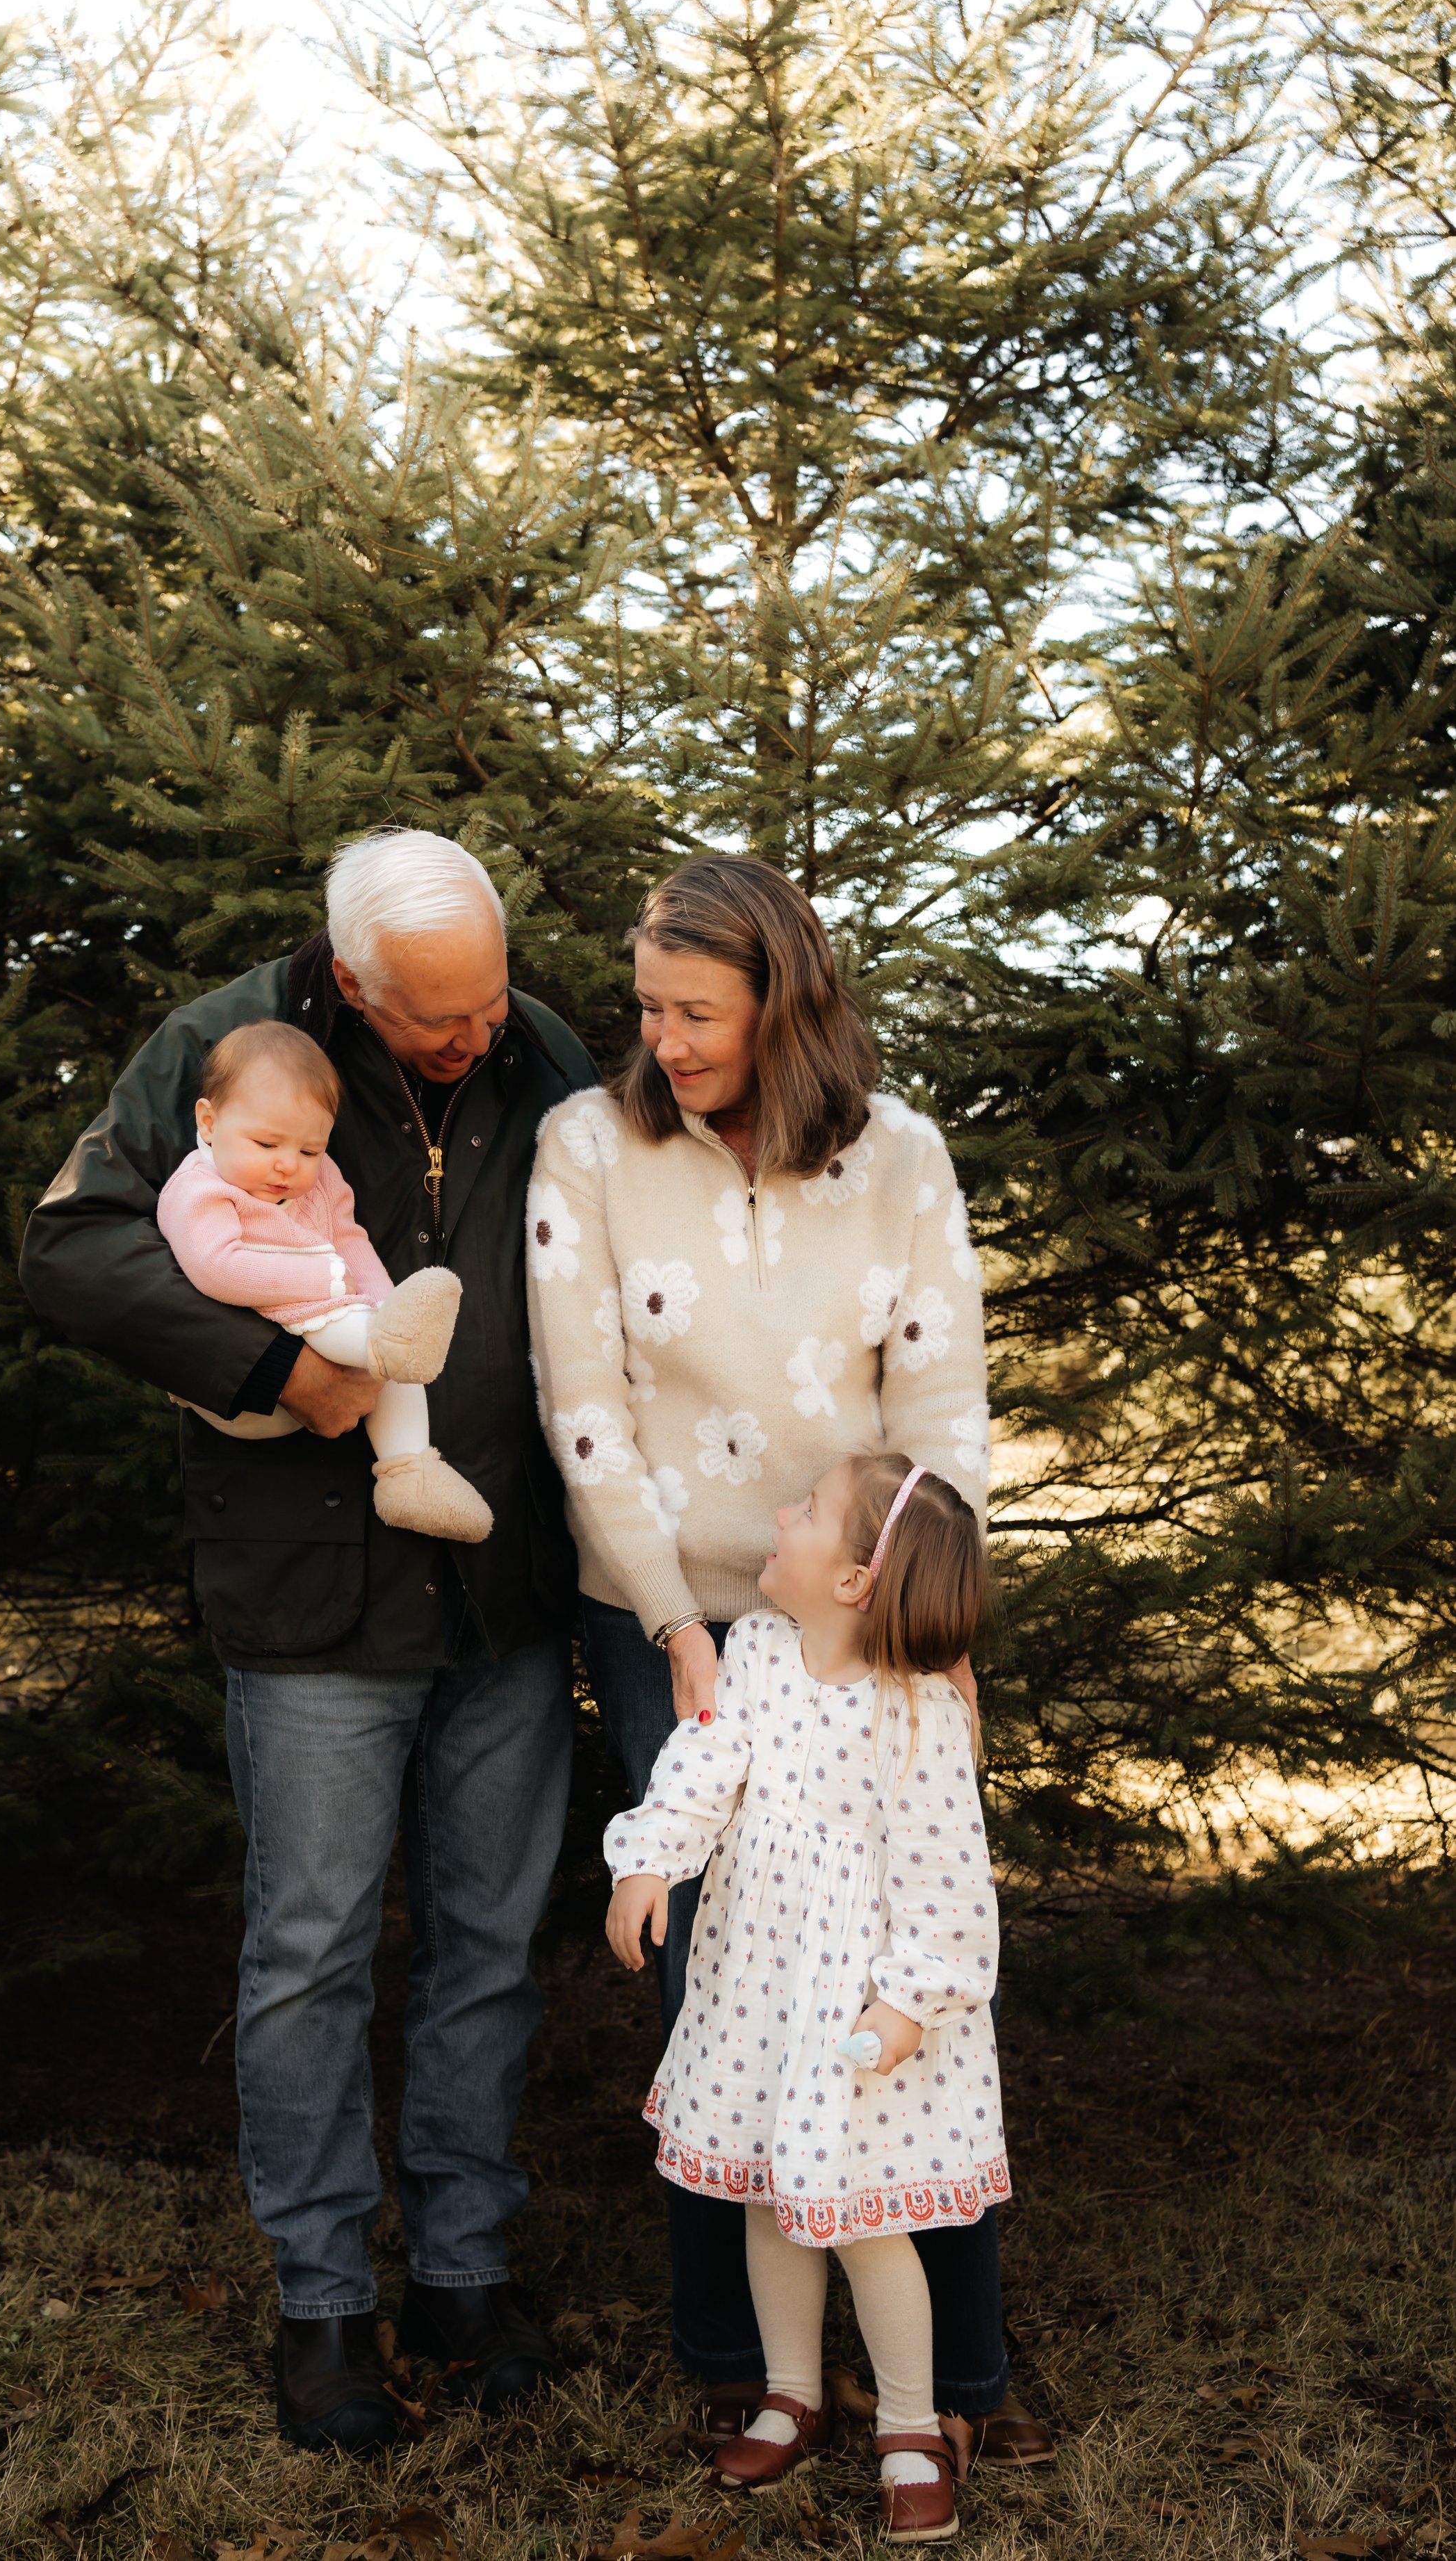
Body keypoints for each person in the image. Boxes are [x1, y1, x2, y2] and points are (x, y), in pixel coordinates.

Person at [19, 829, 597, 2452]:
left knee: (488, 1946)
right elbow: (72, 1245)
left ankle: (465, 2274)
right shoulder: (223, 1045)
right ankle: (326, 2306)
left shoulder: (536, 1045)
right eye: (433, 1018)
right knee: (311, 1951)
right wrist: (278, 1373)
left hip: (503, 1578)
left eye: (488, 1001)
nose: (475, 1036)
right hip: (308, 1589)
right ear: (348, 981)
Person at [527, 852, 1053, 2468]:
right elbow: (582, 1400)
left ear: (786, 1002)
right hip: (677, 1616)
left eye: (696, 1010)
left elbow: (941, 1404)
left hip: (870, 1611)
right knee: (718, 1969)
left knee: (904, 1968)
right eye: (647, 1007)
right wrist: (670, 1618)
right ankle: (745, 2359)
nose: (662, 1038)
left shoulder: (902, 1160)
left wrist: (927, 1628)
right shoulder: (589, 1145)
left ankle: (955, 2377)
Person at [606, 1452, 1006, 2543]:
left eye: (811, 1509)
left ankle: (912, 2424)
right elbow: (701, 1771)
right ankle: (792, 2392)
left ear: (853, 1580)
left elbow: (950, 1884)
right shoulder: (753, 1653)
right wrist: (649, 1862)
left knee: (866, 2220)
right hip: (756, 1991)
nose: (782, 1512)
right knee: (764, 2194)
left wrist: (908, 2003)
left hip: (857, 2020)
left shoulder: (921, 1712)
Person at [157, 1018, 493, 1540]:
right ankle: (392, 1346)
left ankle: (409, 1473)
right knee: (379, 1346)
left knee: (385, 1352)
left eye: (309, 1151)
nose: (287, 1166)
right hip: (246, 1384)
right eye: (266, 1144)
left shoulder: (322, 1178)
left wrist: (385, 1304)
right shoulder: (198, 1189)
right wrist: (328, 1280)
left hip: (316, 1322)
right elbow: (217, 1268)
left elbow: (350, 1240)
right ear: (208, 1121)